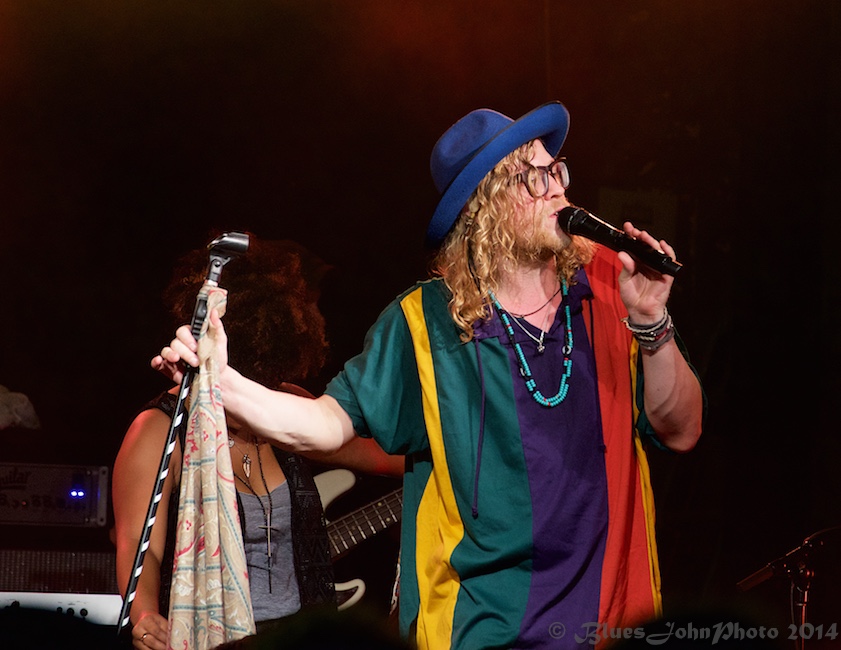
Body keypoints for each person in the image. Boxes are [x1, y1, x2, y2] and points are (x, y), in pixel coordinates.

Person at [154, 101, 704, 649]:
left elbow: (682, 429)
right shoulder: (424, 324)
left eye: (556, 169)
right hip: (480, 632)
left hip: (612, 623)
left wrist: (652, 321)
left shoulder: (611, 285)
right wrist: (219, 380)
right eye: (535, 177)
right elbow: (323, 424)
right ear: (486, 207)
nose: (559, 188)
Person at [114, 238, 402, 650]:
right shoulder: (159, 428)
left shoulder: (288, 406)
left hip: (297, 637)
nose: (259, 396)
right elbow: (140, 550)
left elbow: (382, 458)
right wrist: (144, 614)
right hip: (214, 639)